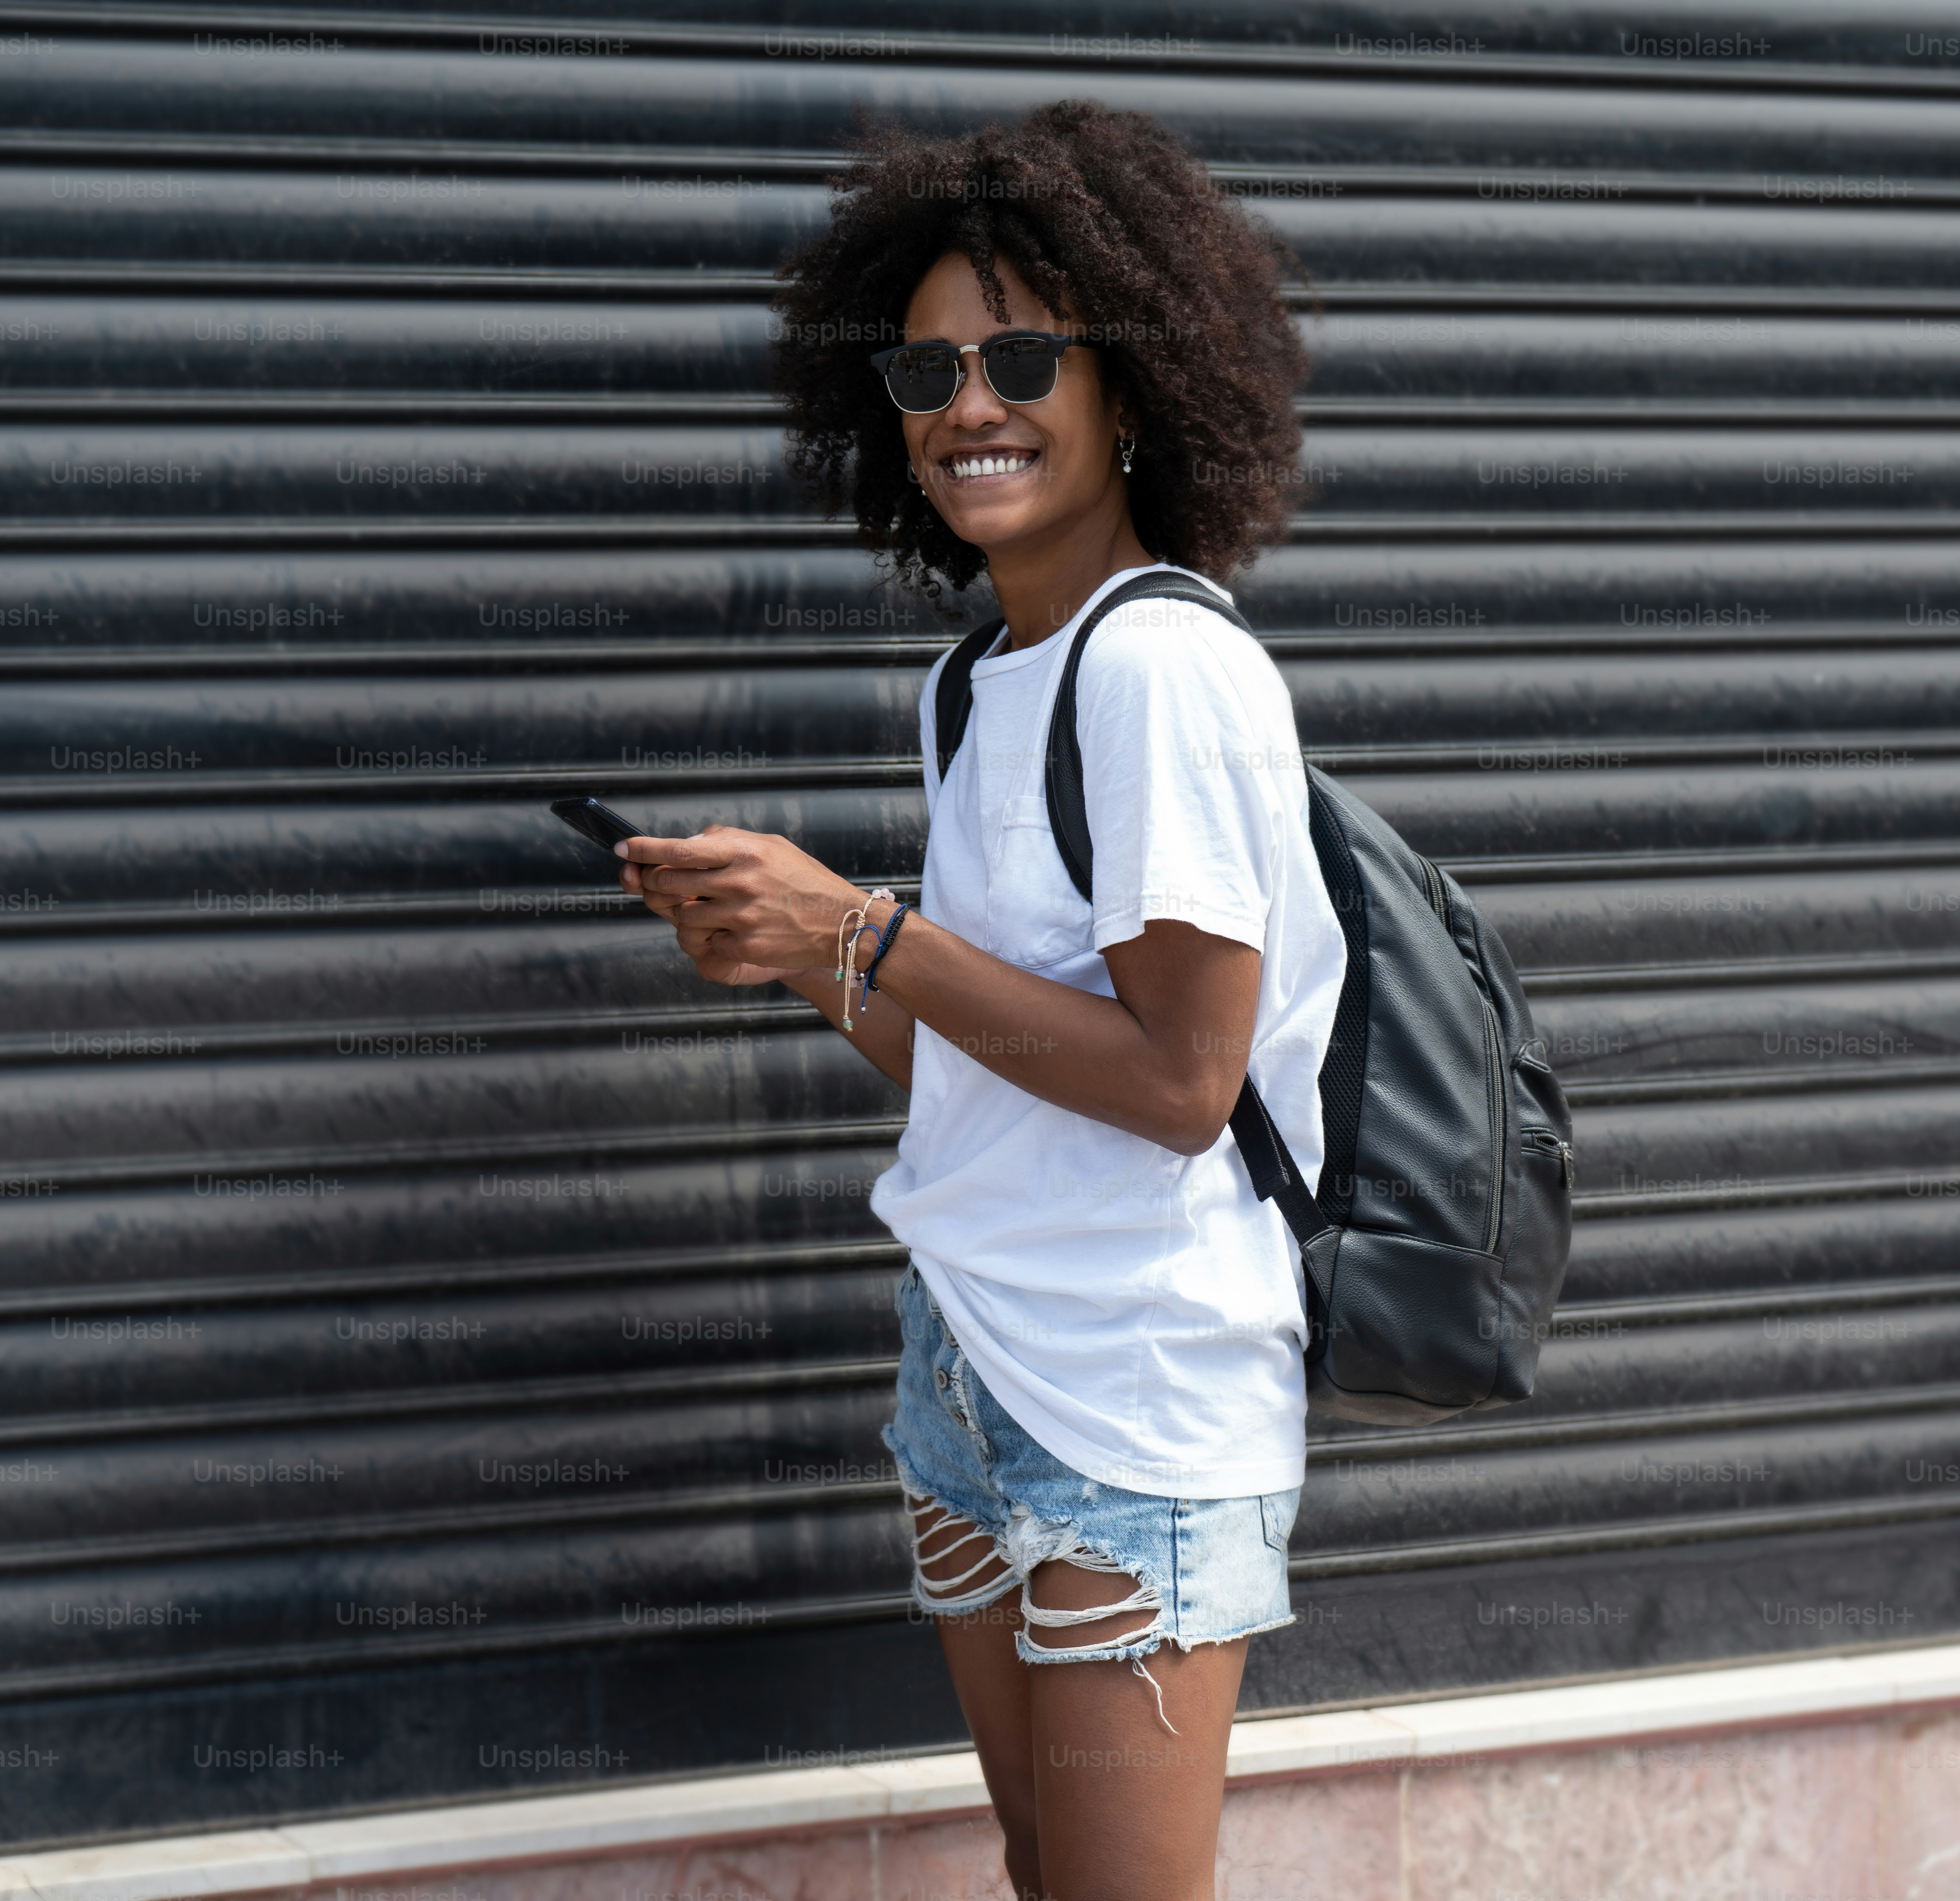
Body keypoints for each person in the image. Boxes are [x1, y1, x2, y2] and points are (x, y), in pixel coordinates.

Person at [615, 101, 1342, 1901]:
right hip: (971, 1360)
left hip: (1135, 1392)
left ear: (1134, 385)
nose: (967, 405)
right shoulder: (978, 681)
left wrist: (864, 923)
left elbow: (1182, 1084)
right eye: (924, 368)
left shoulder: (1160, 667)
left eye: (1018, 356)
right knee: (1044, 1876)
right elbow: (986, 1050)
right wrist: (800, 957)